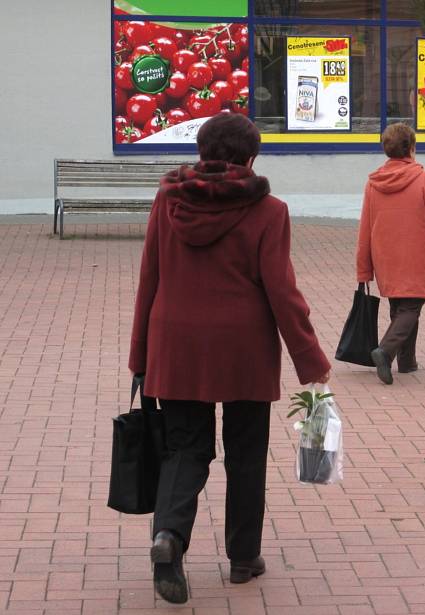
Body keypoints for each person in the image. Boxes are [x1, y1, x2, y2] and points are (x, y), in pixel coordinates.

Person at [128, 113, 330, 604]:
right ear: (251, 157)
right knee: (246, 456)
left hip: (175, 345)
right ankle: (243, 558)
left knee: (184, 450)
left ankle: (169, 539)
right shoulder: (269, 210)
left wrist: (140, 357)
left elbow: (149, 277)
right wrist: (312, 365)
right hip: (244, 350)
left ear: (201, 152)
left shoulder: (167, 198)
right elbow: (282, 292)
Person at [356, 123, 425, 385]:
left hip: (385, 256)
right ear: (412, 148)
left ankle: (407, 362)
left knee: (399, 306)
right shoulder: (424, 181)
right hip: (416, 255)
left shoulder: (373, 183)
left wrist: (364, 268)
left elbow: (365, 227)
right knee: (411, 307)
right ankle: (386, 351)